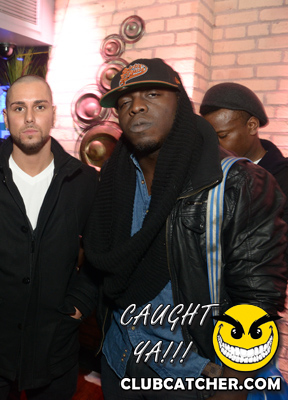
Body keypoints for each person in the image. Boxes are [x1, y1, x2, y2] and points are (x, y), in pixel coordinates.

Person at [87, 58, 287, 399]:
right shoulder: (115, 175)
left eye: (152, 94)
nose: (136, 106)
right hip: (120, 357)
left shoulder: (238, 181)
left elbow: (256, 300)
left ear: (179, 103)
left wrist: (234, 386)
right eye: (124, 102)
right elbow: (104, 265)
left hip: (192, 375)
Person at [0, 75, 99, 399]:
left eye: (39, 107)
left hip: (55, 343)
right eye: (19, 108)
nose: (29, 117)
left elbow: (99, 256)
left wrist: (79, 305)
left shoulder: (83, 181)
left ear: (53, 114)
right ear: (6, 116)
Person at [200, 82, 288, 204]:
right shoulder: (208, 175)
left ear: (252, 125)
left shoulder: (283, 178)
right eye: (210, 137)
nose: (215, 144)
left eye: (222, 136)